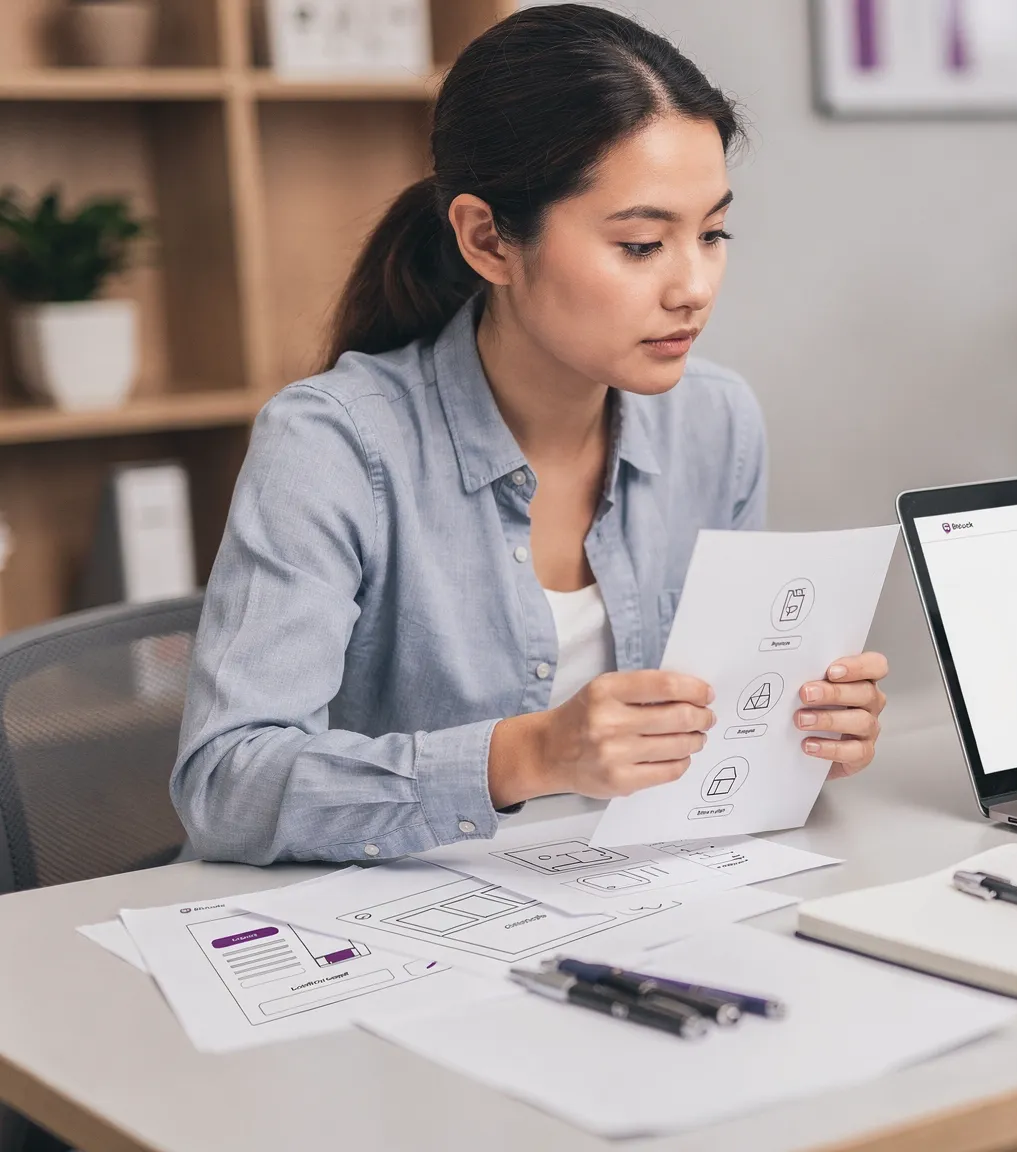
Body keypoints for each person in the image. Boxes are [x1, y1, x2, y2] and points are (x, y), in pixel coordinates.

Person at [173, 6, 889, 865]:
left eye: (713, 233)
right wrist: (531, 756)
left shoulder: (716, 419)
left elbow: (710, 734)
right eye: (641, 244)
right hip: (386, 932)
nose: (694, 285)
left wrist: (801, 728)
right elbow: (224, 785)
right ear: (487, 239)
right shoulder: (333, 443)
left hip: (610, 898)